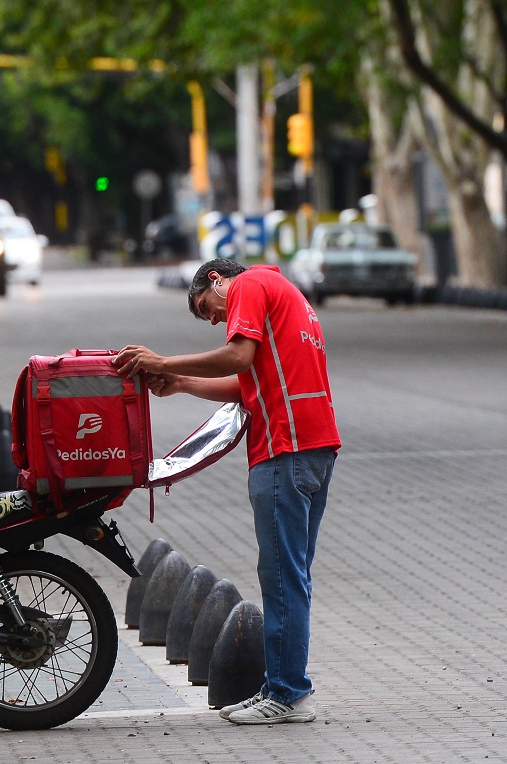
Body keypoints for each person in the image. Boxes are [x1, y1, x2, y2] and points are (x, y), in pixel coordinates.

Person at [114, 258, 340, 725]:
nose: (215, 319)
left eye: (207, 308)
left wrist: (162, 361)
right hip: (314, 446)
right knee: (291, 577)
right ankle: (281, 686)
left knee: (281, 579)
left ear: (217, 279)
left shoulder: (251, 285)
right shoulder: (282, 291)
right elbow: (247, 382)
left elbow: (238, 357)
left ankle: (288, 694)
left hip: (284, 447)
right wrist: (179, 383)